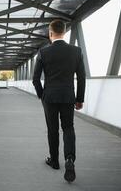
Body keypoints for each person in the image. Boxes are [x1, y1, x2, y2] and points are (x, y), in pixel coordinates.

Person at [32, 20, 86, 182]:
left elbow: (35, 79)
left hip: (49, 97)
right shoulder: (76, 51)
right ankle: (69, 159)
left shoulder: (43, 52)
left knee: (52, 129)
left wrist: (42, 96)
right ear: (64, 32)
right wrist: (79, 99)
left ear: (50, 33)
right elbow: (82, 78)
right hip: (68, 96)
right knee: (68, 127)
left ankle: (54, 161)